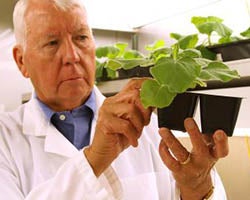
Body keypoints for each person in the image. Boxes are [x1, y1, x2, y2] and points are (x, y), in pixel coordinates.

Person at [0, 0, 229, 199]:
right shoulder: (5, 140)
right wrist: (95, 158)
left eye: (81, 38)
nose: (72, 56)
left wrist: (197, 190)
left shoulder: (148, 126)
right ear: (21, 61)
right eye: (52, 43)